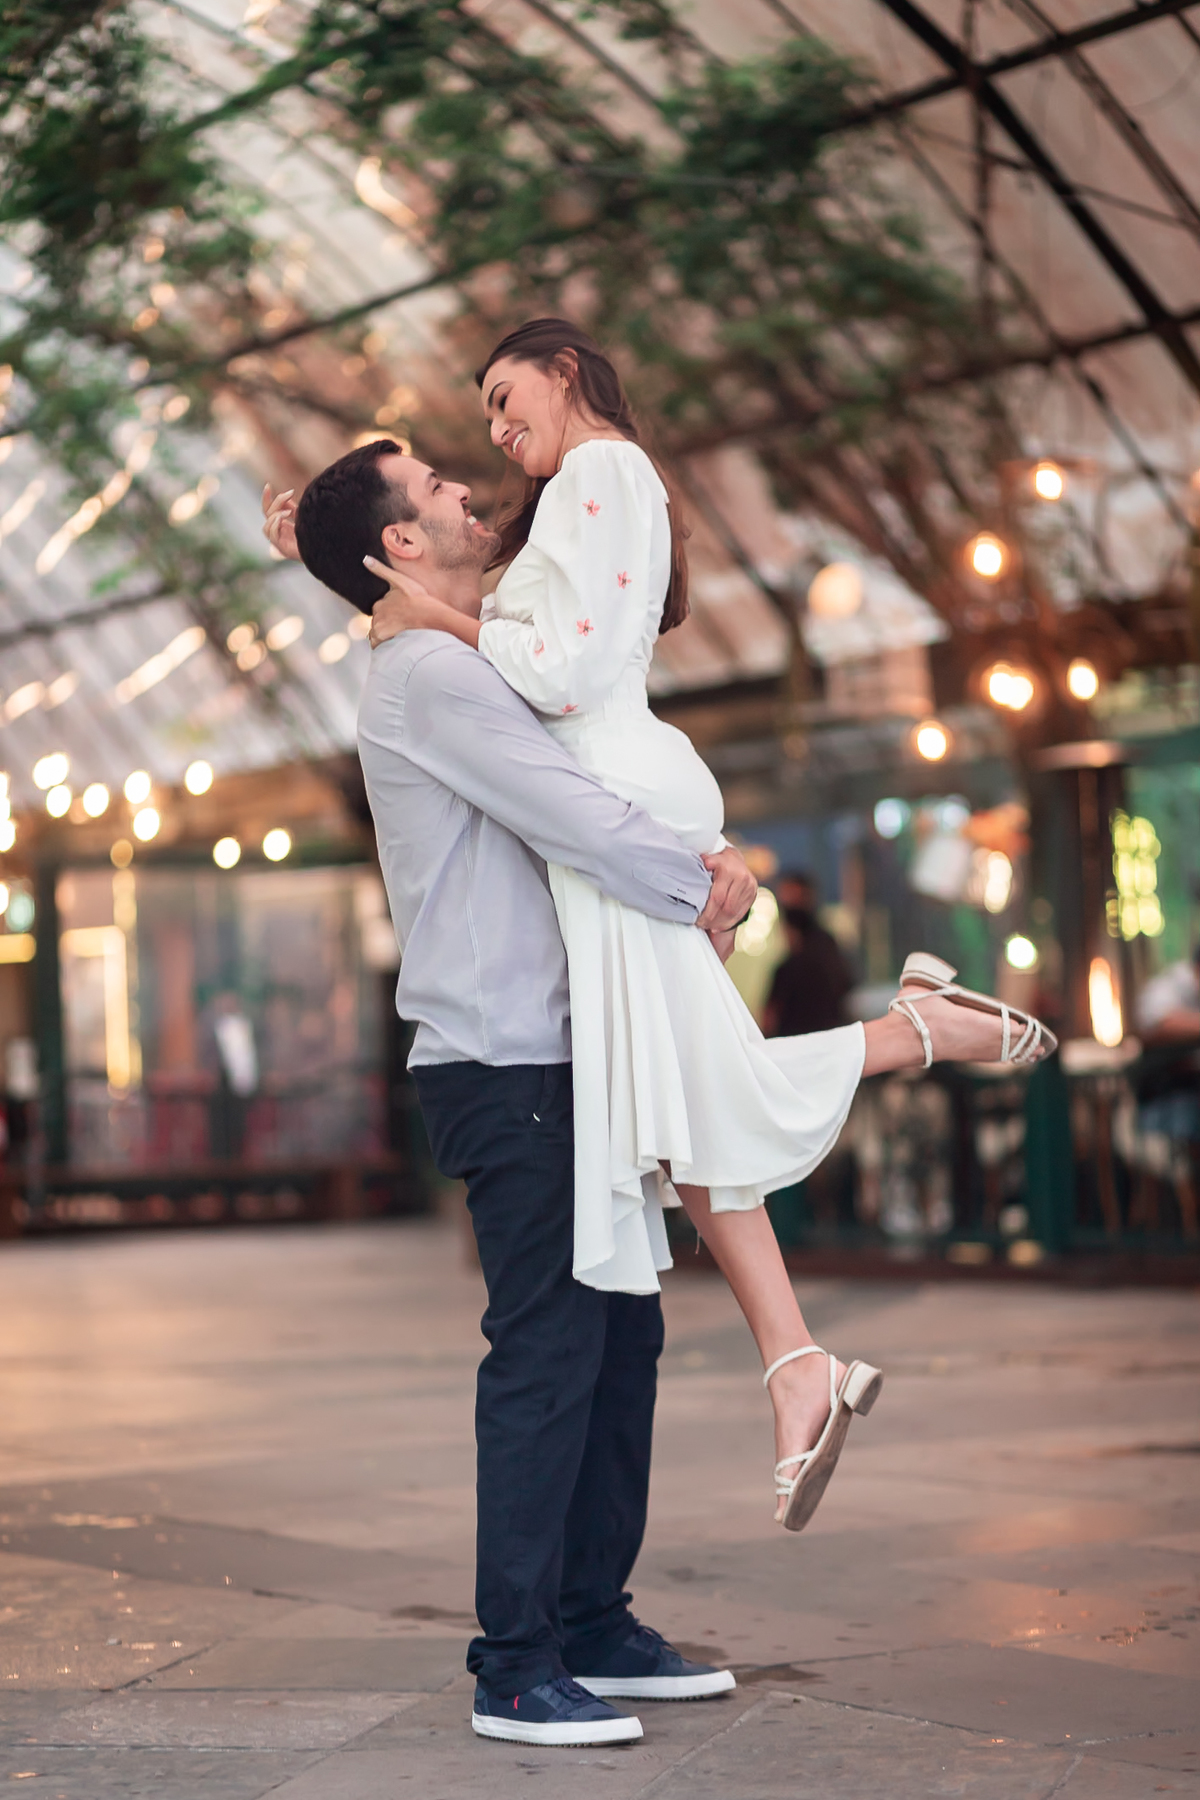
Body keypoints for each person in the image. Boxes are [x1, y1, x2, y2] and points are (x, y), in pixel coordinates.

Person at [264, 421, 1053, 1745]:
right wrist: (705, 882)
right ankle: (516, 1664)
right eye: (437, 487)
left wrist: (711, 854)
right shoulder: (430, 678)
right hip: (507, 1060)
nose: (470, 488)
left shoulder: (467, 649)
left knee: (620, 1337)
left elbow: (593, 753)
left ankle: (593, 1618)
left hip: (571, 1048)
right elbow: (571, 811)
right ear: (401, 540)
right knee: (549, 1349)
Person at [762, 872, 854, 1039]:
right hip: (831, 1041)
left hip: (797, 1045)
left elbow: (768, 1019)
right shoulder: (829, 948)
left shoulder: (789, 968)